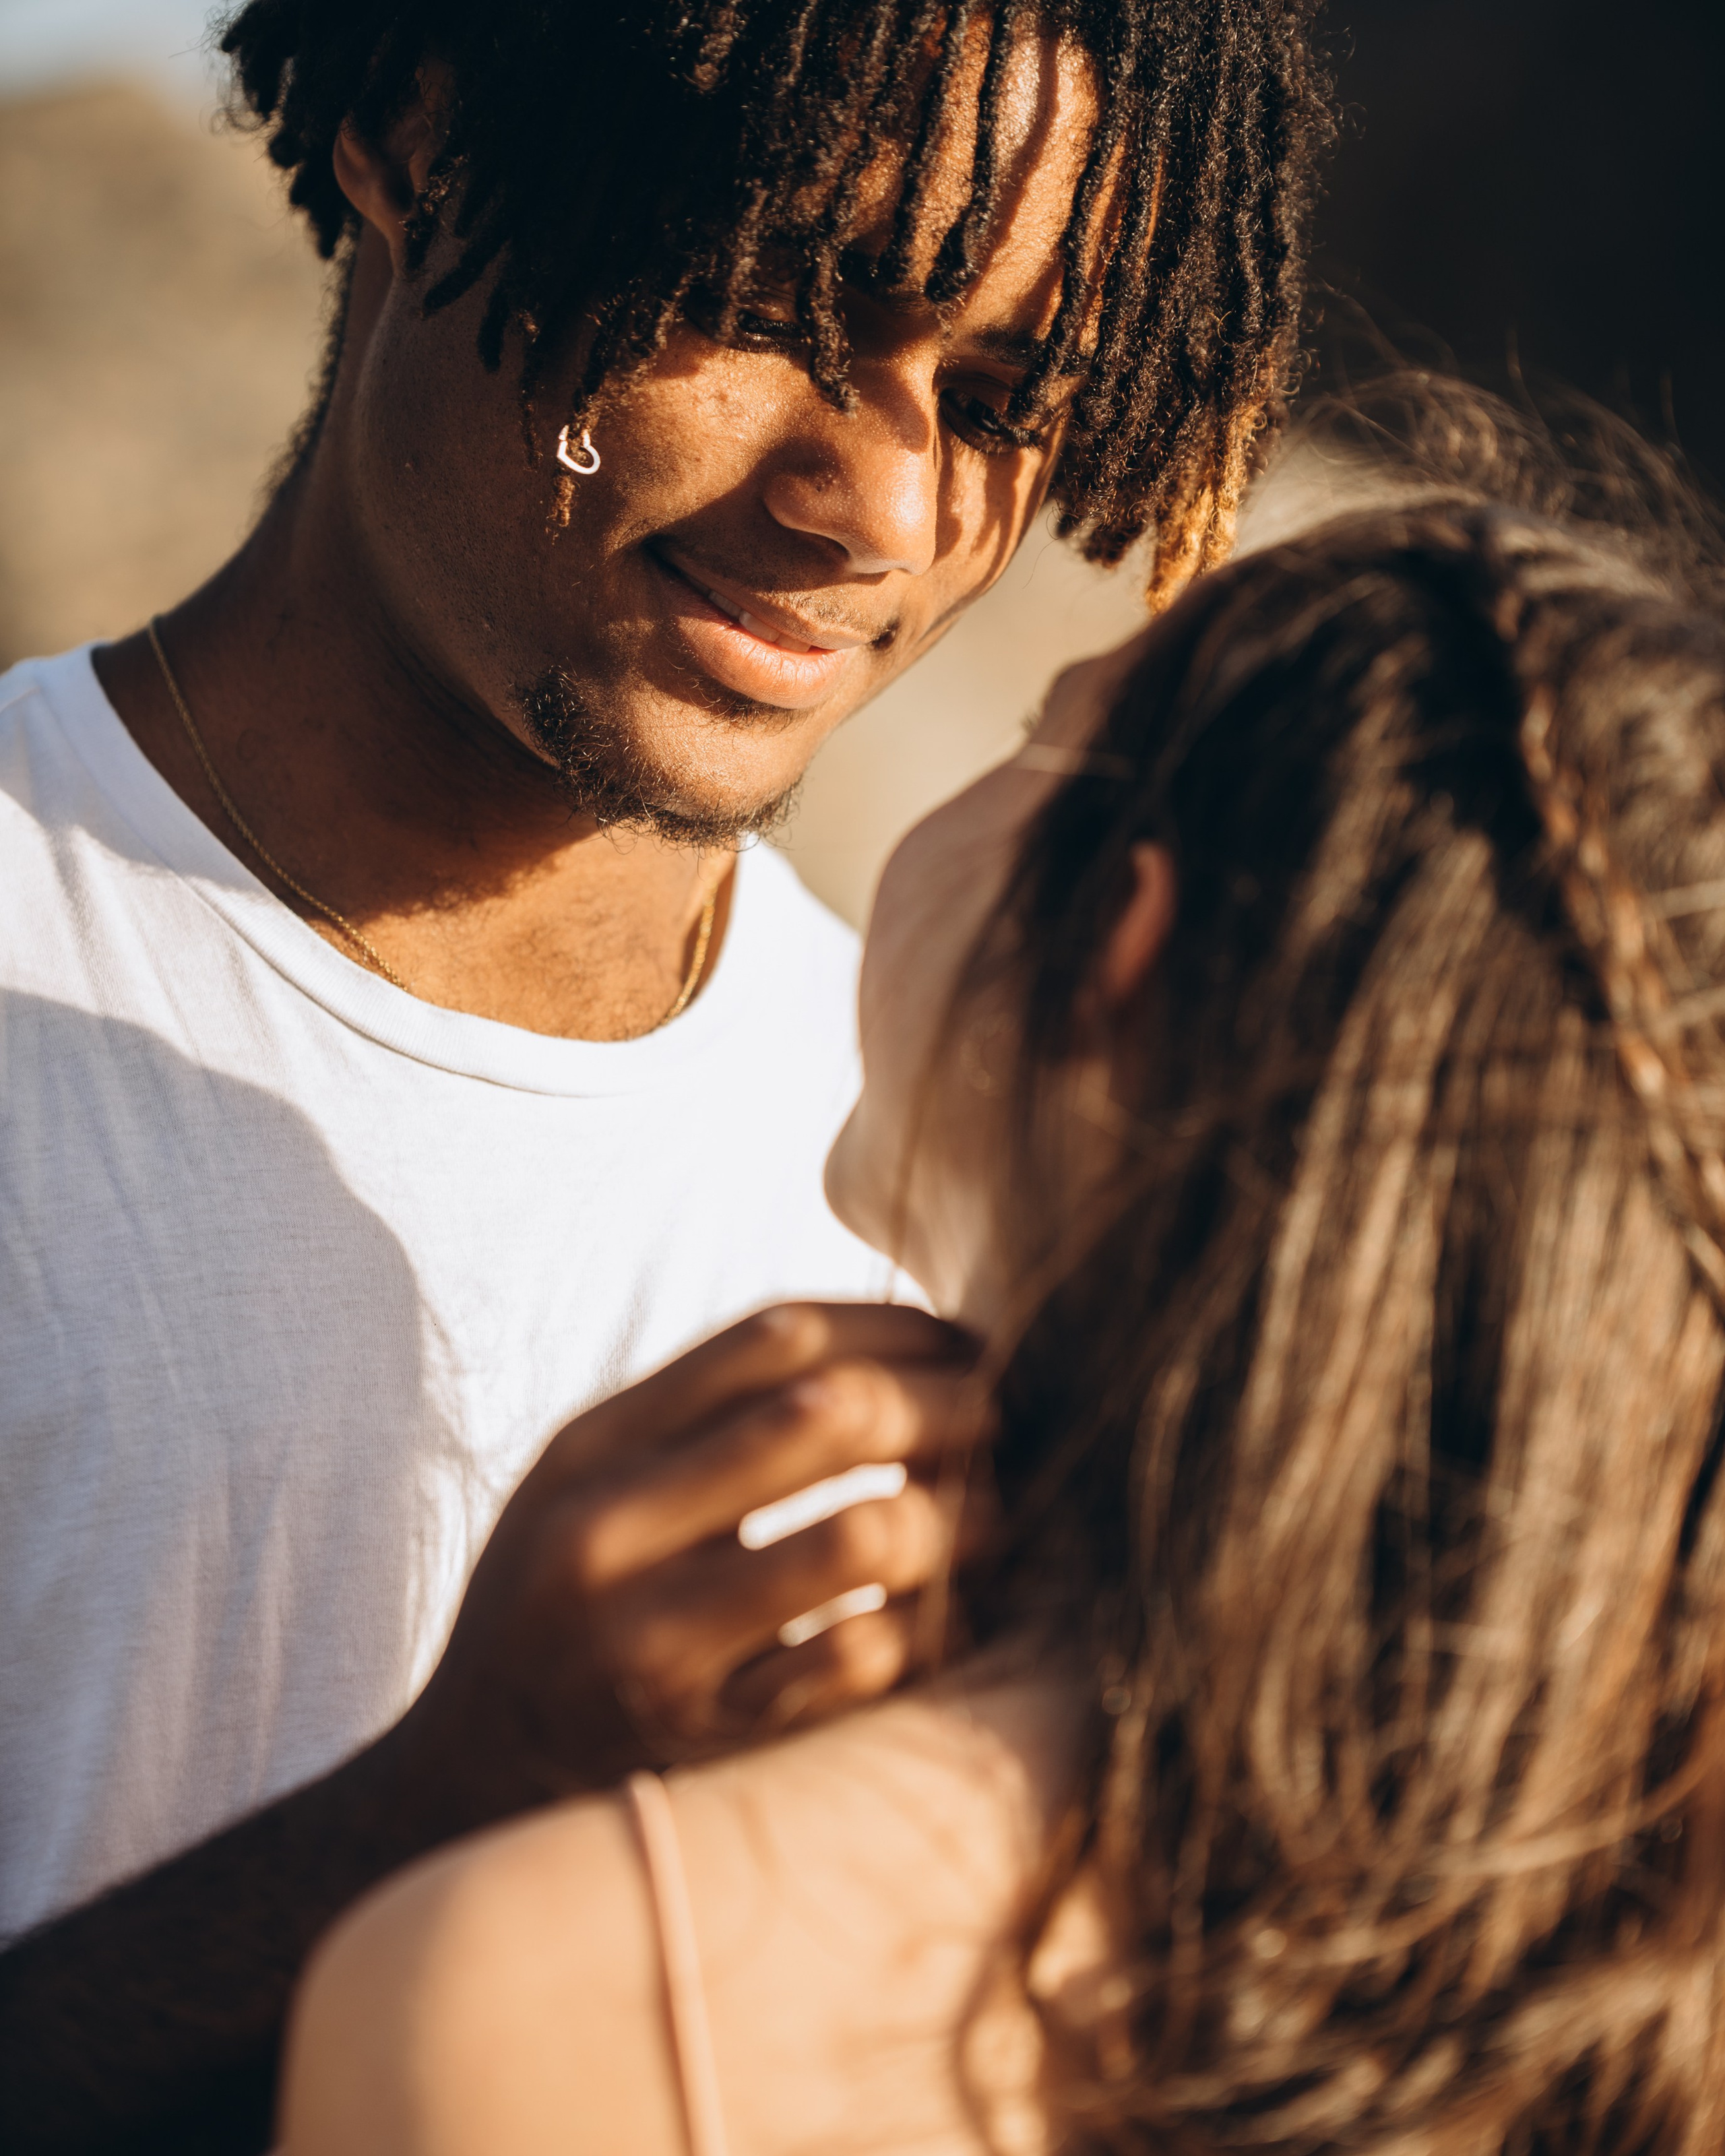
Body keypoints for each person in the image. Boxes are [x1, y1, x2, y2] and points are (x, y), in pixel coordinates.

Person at [0, 1, 1332, 2147]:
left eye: (999, 400)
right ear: (418, 141)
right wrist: (432, 1823)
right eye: (779, 304)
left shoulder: (961, 1188)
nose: (875, 505)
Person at [281, 391, 1725, 2153]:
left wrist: (445, 1808)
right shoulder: (1637, 1958)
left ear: (1120, 939)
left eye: (1049, 734)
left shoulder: (566, 2002)